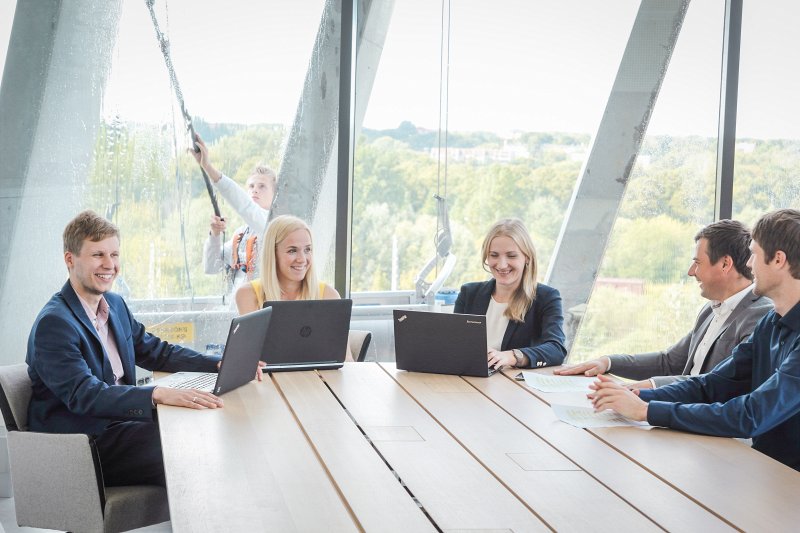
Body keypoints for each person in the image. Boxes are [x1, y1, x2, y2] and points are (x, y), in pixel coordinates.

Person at [25, 210, 236, 487]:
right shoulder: (54, 324)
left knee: (200, 428)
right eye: (98, 255)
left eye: (114, 255)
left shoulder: (114, 305)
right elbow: (85, 395)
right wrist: (157, 394)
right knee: (187, 448)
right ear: (70, 259)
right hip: (84, 444)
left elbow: (156, 352)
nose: (109, 264)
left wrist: (218, 363)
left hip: (119, 426)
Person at [589, 209, 800, 471]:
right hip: (766, 471)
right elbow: (710, 385)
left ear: (778, 259)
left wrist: (646, 411)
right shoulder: (771, 323)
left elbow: (751, 415)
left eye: (754, 254)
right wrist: (636, 396)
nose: (747, 264)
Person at [556, 220, 771, 388]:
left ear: (725, 264)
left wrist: (644, 389)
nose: (690, 272)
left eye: (697, 262)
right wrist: (608, 362)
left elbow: (716, 383)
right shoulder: (710, 309)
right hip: (680, 413)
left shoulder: (759, 316)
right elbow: (669, 362)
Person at [454, 218, 566, 370]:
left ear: (526, 257)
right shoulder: (469, 293)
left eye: (511, 256)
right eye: (494, 255)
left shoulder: (546, 298)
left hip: (515, 386)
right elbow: (454, 344)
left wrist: (512, 356)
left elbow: (556, 349)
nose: (501, 265)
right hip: (470, 379)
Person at [192, 134, 277, 289]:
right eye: (251, 186)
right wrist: (215, 235)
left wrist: (208, 167)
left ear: (275, 195)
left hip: (261, 309)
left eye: (262, 186)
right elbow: (211, 267)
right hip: (238, 310)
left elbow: (243, 205)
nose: (255, 191)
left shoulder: (272, 225)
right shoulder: (242, 234)